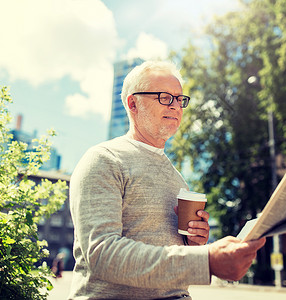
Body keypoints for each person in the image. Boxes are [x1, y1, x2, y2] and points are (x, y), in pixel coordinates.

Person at [68, 60, 266, 299]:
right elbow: (102, 254)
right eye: (164, 97)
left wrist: (193, 243)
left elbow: (171, 254)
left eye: (180, 99)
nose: (175, 106)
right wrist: (204, 260)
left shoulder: (177, 179)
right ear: (133, 103)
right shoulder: (103, 159)